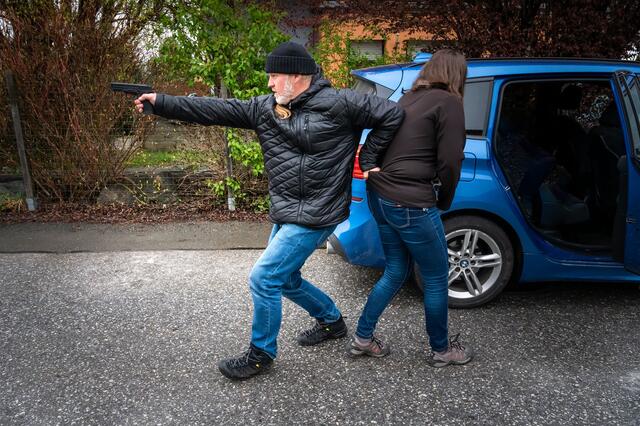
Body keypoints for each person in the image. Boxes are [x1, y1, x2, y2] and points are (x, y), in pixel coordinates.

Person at [134, 41, 404, 380]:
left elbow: (393, 114)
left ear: (296, 76)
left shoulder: (341, 103)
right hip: (286, 208)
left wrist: (368, 158)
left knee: (264, 278)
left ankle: (261, 353)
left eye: (274, 76)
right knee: (287, 280)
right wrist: (161, 103)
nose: (269, 84)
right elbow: (216, 109)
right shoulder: (265, 109)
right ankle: (332, 321)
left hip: (319, 212)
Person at [348, 49, 473, 367]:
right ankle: (441, 350)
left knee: (394, 270)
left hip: (382, 195)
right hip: (411, 202)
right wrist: (443, 199)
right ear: (458, 75)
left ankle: (363, 338)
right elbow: (450, 161)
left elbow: (380, 139)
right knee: (435, 278)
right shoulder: (449, 103)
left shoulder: (408, 98)